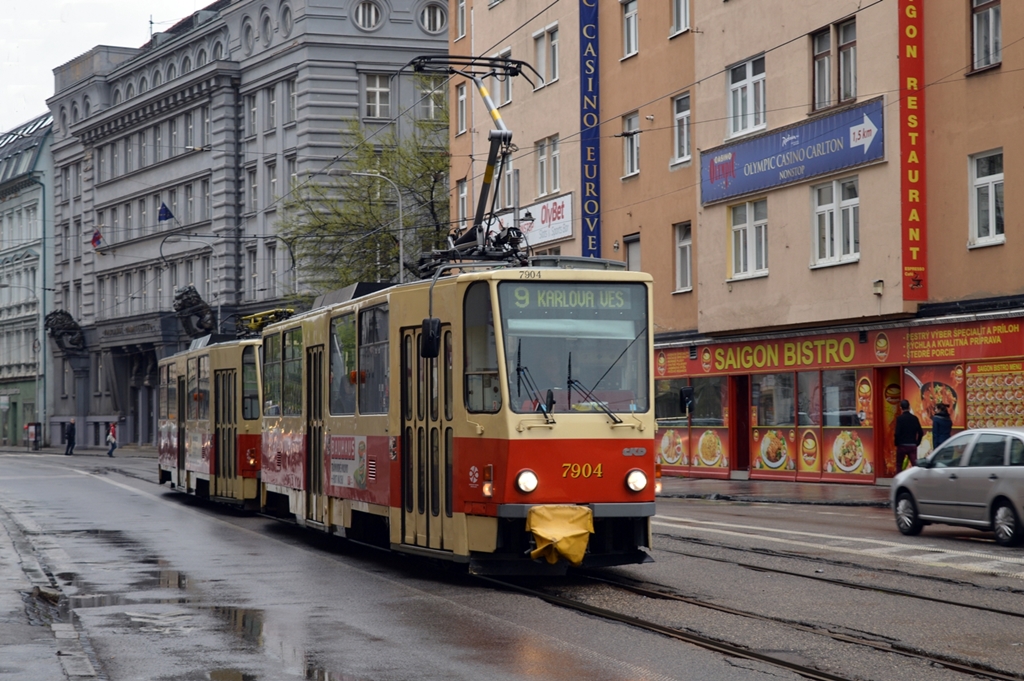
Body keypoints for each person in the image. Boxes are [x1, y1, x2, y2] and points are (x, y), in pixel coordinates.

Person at [894, 399, 924, 472]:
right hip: (912, 445)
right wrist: (917, 442)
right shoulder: (914, 418)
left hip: (902, 445)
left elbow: (897, 433)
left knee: (899, 464)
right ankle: (916, 479)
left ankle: (899, 479)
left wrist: (897, 443)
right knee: (914, 465)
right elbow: (920, 432)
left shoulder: (899, 419)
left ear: (901, 408)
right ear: (909, 407)